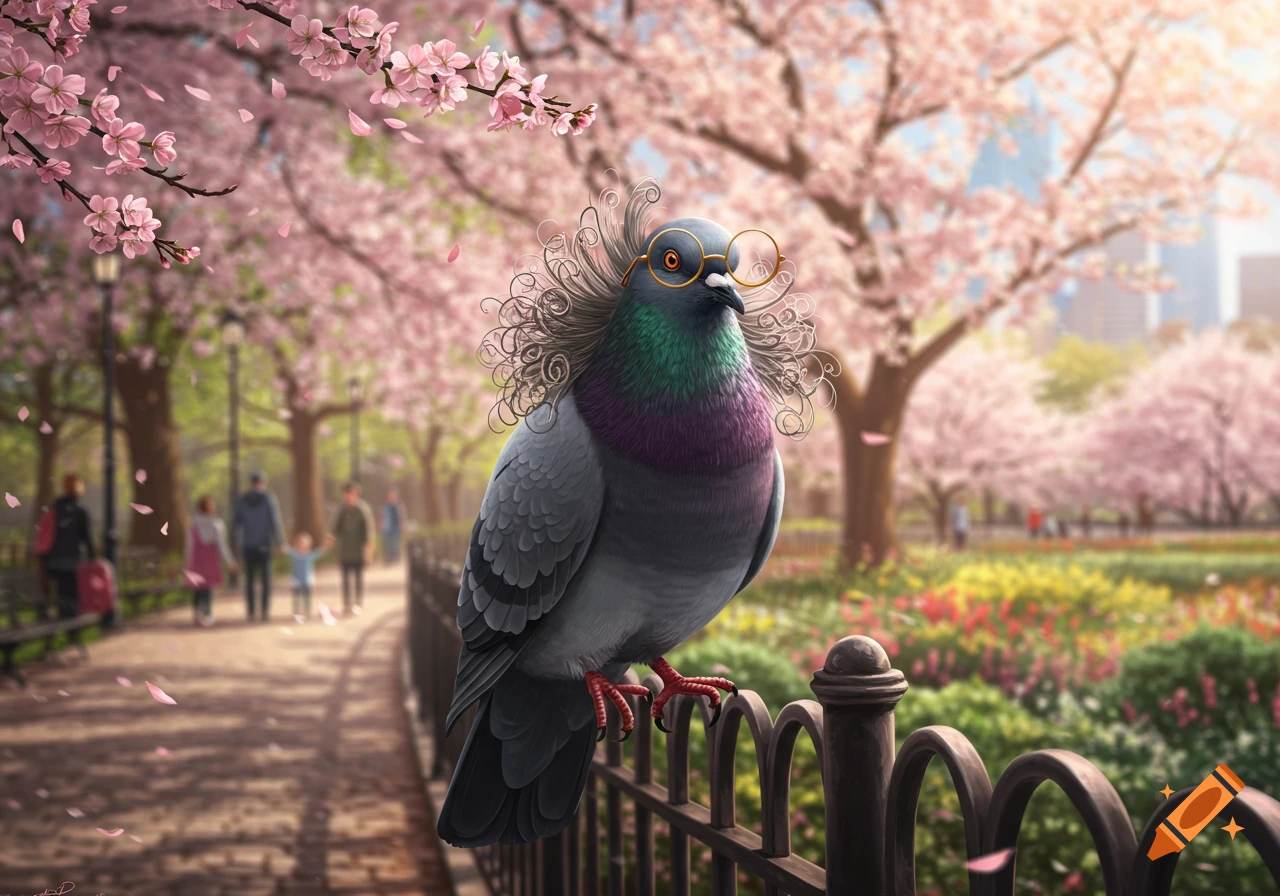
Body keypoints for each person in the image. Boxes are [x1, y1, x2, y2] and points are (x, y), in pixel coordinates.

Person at [41, 474, 95, 655]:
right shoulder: (81, 511)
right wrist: (93, 560)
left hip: (53, 564)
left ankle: (59, 638)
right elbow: (87, 539)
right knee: (72, 599)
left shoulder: (54, 508)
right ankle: (72, 635)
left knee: (61, 597)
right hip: (73, 564)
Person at [232, 471, 286, 622]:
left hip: (248, 544)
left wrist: (235, 545)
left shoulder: (242, 500)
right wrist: (281, 542)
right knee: (266, 579)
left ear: (251, 483)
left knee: (249, 579)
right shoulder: (268, 498)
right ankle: (264, 612)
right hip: (264, 544)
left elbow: (236, 524)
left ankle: (250, 612)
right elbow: (275, 521)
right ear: (262, 483)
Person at [184, 496, 237, 626]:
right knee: (207, 587)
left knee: (198, 587)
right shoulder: (217, 524)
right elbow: (222, 545)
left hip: (197, 559)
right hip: (210, 559)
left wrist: (187, 561)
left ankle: (197, 613)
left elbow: (189, 545)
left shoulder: (193, 524)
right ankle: (207, 613)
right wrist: (230, 561)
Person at [331, 482, 376, 616]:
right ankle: (347, 604)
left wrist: (368, 551)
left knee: (358, 578)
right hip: (345, 551)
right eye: (347, 494)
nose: (349, 497)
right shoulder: (340, 510)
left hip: (358, 551)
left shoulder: (362, 510)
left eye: (351, 494)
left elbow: (369, 532)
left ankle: (358, 603)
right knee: (345, 579)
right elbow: (334, 530)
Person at [286, 532, 334, 621]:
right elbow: (285, 550)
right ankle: (296, 612)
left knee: (307, 596)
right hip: (296, 580)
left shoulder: (309, 555)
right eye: (300, 544)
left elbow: (320, 551)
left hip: (307, 580)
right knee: (296, 596)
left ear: (308, 546)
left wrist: (327, 544)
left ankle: (307, 611)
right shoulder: (294, 554)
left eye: (304, 544)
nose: (302, 546)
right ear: (297, 544)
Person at [381, 489, 407, 565]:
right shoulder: (385, 506)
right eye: (389, 496)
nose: (391, 498)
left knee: (396, 543)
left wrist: (403, 526)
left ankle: (396, 558)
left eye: (392, 496)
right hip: (387, 527)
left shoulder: (399, 506)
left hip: (396, 527)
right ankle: (389, 558)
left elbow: (402, 517)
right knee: (388, 544)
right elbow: (382, 517)